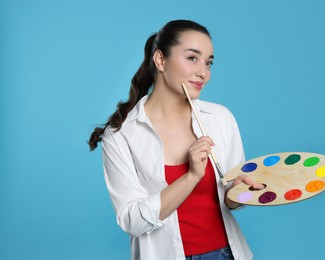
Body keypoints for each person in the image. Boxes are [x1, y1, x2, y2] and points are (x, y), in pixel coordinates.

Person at [88, 20, 262, 260]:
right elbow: (132, 221)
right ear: (160, 60)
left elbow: (229, 201)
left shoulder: (220, 119)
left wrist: (241, 192)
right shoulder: (122, 134)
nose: (204, 72)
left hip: (226, 254)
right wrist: (191, 177)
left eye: (209, 62)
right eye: (192, 58)